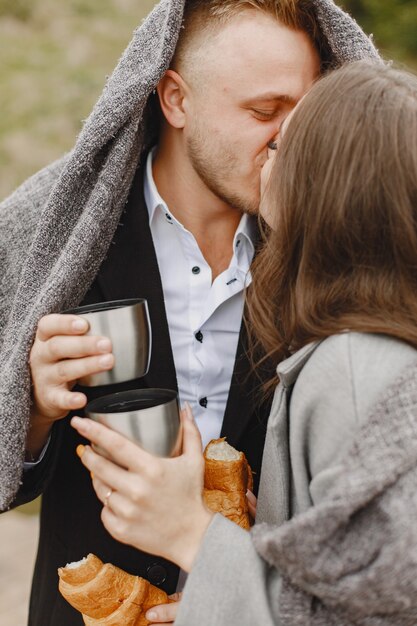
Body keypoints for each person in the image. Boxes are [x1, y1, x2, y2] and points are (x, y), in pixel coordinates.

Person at [0, 1, 379, 624]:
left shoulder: (335, 256)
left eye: (306, 115)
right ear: (175, 101)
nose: (289, 140)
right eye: (264, 111)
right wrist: (33, 408)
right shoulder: (52, 231)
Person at [73, 60, 417, 625]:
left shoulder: (357, 369)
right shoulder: (354, 348)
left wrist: (191, 533)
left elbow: (379, 611)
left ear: (328, 188)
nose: (266, 158)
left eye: (285, 147)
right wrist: (269, 539)